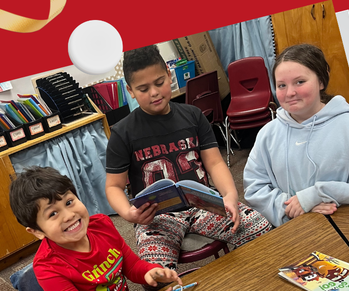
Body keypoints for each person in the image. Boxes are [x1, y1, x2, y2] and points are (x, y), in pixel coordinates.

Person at [104, 46, 272, 273]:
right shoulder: (122, 132)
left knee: (260, 228)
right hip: (157, 217)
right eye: (143, 89)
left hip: (203, 204)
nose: (154, 92)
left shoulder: (192, 116)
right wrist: (128, 213)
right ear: (130, 90)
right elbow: (113, 186)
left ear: (169, 74)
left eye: (159, 82)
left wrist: (230, 196)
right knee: (156, 276)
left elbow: (215, 163)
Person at [9, 166, 184, 291]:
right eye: (53, 213)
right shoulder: (48, 266)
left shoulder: (102, 225)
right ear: (37, 231)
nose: (68, 215)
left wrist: (150, 272)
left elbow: (131, 267)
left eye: (69, 202)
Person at [242, 43, 349, 227]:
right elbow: (254, 187)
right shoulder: (268, 134)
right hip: (288, 230)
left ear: (321, 82)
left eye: (300, 82)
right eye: (281, 85)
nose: (290, 93)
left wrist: (317, 194)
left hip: (343, 228)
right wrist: (294, 208)